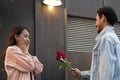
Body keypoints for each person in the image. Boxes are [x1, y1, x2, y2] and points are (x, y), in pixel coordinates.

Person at [70, 6, 120, 80]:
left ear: (102, 18)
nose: (95, 24)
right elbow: (100, 71)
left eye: (96, 20)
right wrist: (81, 74)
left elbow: (105, 74)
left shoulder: (106, 39)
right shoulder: (114, 38)